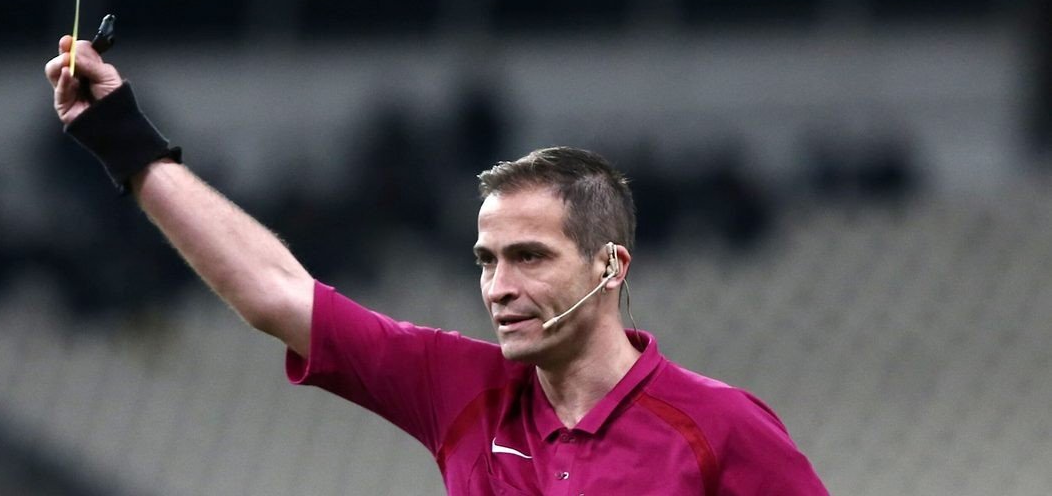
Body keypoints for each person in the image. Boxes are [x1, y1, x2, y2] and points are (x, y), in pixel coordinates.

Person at [45, 35, 828, 495]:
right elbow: (275, 292)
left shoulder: (718, 426)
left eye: (529, 257)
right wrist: (125, 142)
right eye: (486, 261)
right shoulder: (460, 388)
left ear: (609, 265)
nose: (499, 288)